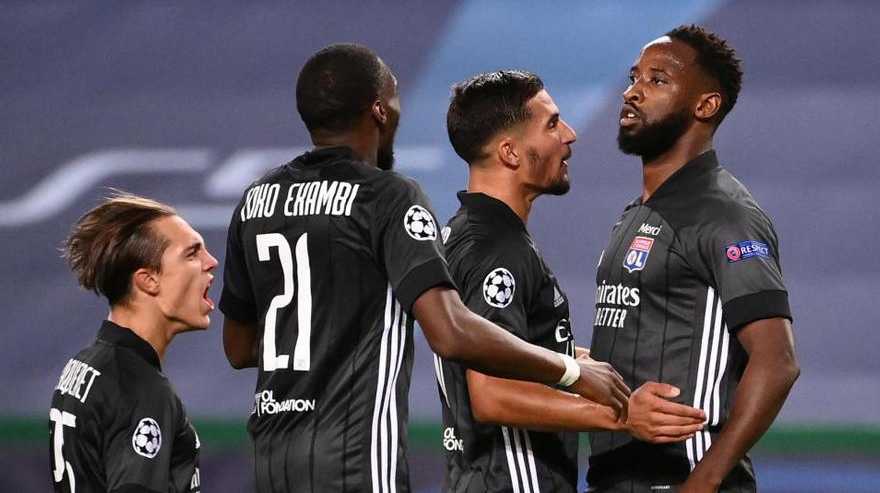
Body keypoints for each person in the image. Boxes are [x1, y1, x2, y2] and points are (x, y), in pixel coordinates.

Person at [219, 43, 629, 492]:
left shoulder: (256, 199)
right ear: (378, 110)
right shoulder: (388, 196)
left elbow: (239, 348)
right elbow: (452, 332)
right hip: (355, 456)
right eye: (395, 100)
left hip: (271, 456)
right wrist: (570, 372)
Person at [438, 70, 706, 492]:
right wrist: (620, 416)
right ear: (509, 152)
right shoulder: (494, 250)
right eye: (551, 124)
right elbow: (491, 393)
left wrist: (576, 359)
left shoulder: (469, 232)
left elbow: (507, 347)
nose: (570, 134)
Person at [586, 25, 800, 493]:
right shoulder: (638, 214)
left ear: (705, 105)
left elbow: (777, 360)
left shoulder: (723, 213)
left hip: (681, 477)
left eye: (657, 80)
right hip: (617, 477)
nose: (633, 92)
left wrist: (703, 481)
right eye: (634, 76)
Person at [49, 192, 217, 492]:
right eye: (192, 254)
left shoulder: (87, 365)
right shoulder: (140, 389)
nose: (211, 262)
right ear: (148, 279)